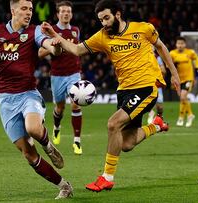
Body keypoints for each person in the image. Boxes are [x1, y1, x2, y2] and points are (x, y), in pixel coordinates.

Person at [41, 0, 181, 192]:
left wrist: (174, 74)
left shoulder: (143, 28)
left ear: (117, 14)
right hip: (124, 90)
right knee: (127, 143)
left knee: (113, 123)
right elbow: (76, 50)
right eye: (100, 20)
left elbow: (161, 47)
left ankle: (106, 177)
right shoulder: (102, 37)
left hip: (146, 87)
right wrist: (55, 35)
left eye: (106, 18)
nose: (104, 23)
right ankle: (156, 125)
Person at [0, 0, 72, 199]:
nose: (28, 12)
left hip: (28, 93)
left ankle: (48, 146)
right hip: (5, 100)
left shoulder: (34, 31)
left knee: (33, 129)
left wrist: (55, 46)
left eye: (30, 9)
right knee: (28, 154)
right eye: (24, 9)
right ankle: (64, 185)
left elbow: (50, 47)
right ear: (13, 11)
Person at [38, 1, 83, 155]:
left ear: (71, 14)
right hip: (57, 75)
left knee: (76, 104)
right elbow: (40, 53)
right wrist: (55, 46)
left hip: (74, 73)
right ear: (58, 14)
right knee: (60, 107)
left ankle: (77, 141)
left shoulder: (76, 30)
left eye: (68, 11)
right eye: (63, 11)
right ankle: (57, 128)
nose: (66, 14)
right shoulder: (52, 31)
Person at [170, 36, 198, 127]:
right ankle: (185, 116)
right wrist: (172, 76)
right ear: (176, 44)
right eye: (178, 43)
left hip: (188, 78)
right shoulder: (172, 54)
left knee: (183, 97)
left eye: (182, 43)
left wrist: (197, 68)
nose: (180, 45)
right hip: (179, 79)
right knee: (182, 98)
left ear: (185, 44)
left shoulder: (190, 52)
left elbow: (196, 58)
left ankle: (186, 116)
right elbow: (170, 65)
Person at [147, 55, 167, 124]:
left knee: (160, 106)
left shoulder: (157, 58)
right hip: (147, 83)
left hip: (157, 84)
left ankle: (160, 118)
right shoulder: (142, 56)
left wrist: (161, 75)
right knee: (148, 101)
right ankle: (151, 113)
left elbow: (163, 70)